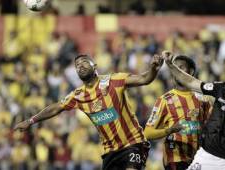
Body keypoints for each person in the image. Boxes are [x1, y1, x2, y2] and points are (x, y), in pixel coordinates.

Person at [14, 54, 164, 170]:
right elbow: (56, 107)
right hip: (110, 151)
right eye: (77, 65)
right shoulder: (78, 95)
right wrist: (30, 121)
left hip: (134, 143)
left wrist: (154, 68)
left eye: (84, 61)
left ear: (95, 65)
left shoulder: (114, 81)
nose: (80, 66)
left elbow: (144, 79)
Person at [144, 55, 211, 170]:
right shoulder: (165, 100)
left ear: (191, 71)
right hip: (174, 158)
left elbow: (208, 125)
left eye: (180, 67)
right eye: (173, 68)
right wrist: (170, 130)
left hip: (198, 160)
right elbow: (148, 133)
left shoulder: (203, 99)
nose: (176, 71)